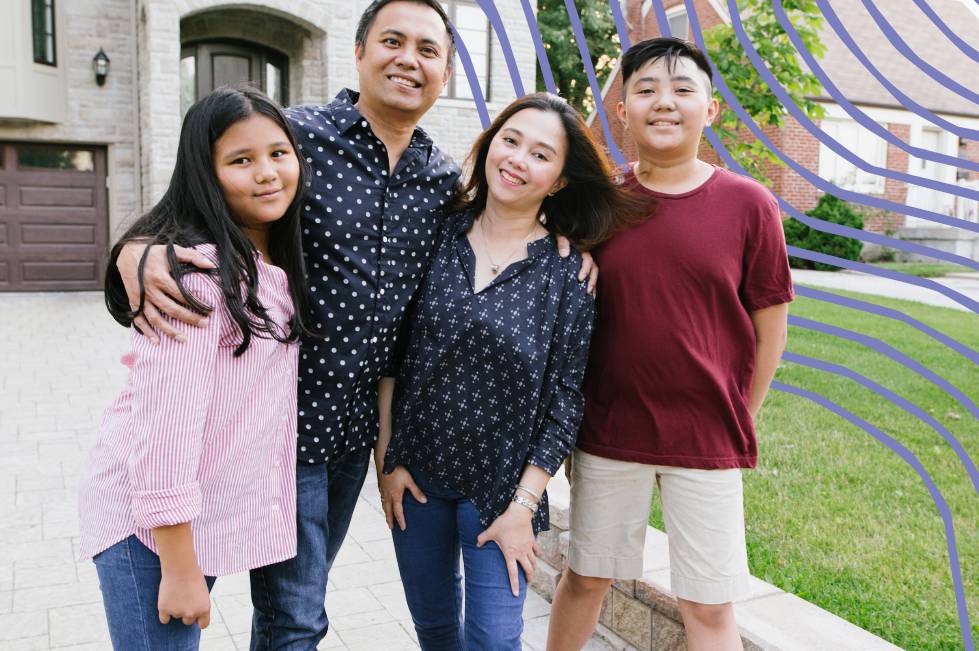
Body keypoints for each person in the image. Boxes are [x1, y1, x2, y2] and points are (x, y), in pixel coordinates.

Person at [110, 1, 596, 647]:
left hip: (341, 439)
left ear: (445, 71)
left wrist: (569, 241)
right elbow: (197, 204)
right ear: (360, 51)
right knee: (219, 605)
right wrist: (134, 252)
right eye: (392, 41)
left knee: (293, 615)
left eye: (427, 50)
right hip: (251, 419)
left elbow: (509, 224)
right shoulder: (294, 140)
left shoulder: (441, 183)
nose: (408, 59)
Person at [546, 37, 793, 651]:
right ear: (623, 109)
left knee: (708, 606)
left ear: (709, 111)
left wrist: (742, 412)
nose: (666, 102)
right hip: (610, 430)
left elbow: (770, 328)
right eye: (647, 89)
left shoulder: (749, 205)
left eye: (684, 90)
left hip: (705, 436)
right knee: (585, 579)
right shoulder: (600, 201)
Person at [374, 92, 635, 650]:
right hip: (415, 477)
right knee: (436, 633)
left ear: (561, 179)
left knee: (493, 641)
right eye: (510, 140)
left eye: (541, 154)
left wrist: (525, 505)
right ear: (491, 144)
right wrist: (387, 458)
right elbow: (395, 355)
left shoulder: (568, 274)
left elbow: (567, 400)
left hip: (500, 491)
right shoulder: (438, 233)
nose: (518, 159)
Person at [78, 85, 311, 650]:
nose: (267, 173)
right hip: (148, 530)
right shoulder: (195, 279)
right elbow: (165, 429)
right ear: (205, 174)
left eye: (279, 153)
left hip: (183, 525)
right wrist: (180, 568)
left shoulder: (268, 261)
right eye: (240, 160)